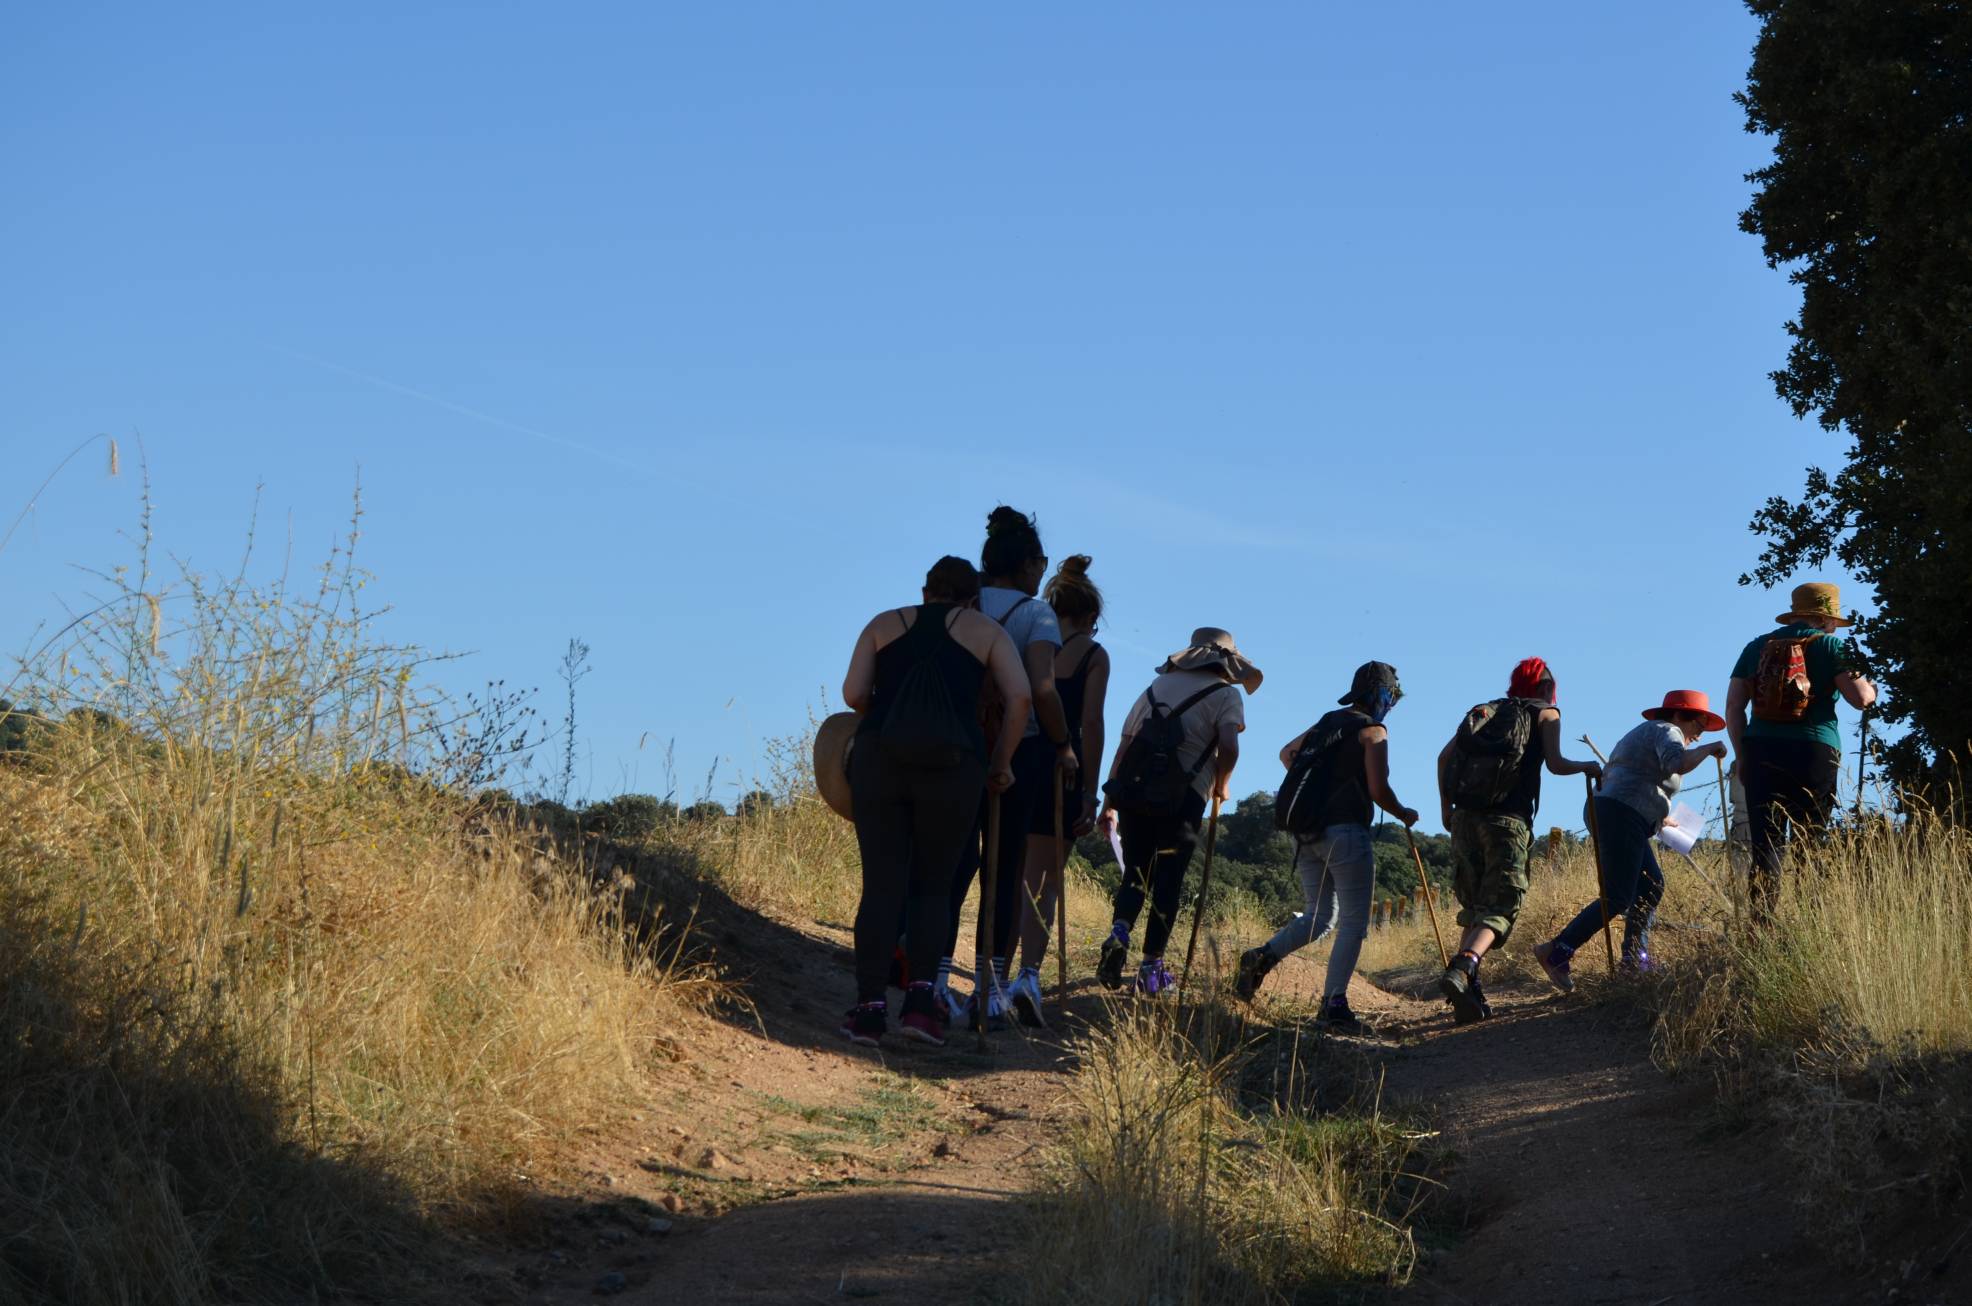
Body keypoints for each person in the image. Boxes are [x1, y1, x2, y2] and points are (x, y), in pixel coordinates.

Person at [838, 557, 1031, 1047]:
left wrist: (894, 710)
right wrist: (1002, 762)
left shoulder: (883, 624)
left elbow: (854, 693)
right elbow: (1021, 698)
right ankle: (921, 1008)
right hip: (954, 766)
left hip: (880, 760)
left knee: (881, 886)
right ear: (972, 599)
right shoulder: (985, 631)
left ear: (925, 592)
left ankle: (868, 1010)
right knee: (933, 886)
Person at [936, 507, 1080, 1028]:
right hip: (1020, 748)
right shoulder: (1037, 615)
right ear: (1025, 565)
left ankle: (934, 978)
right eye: (1039, 560)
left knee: (953, 861)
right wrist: (1064, 745)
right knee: (1004, 864)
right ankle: (991, 986)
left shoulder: (962, 605)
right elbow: (1042, 688)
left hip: (958, 744)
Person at [1233, 661, 1424, 1032]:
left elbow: (1287, 754)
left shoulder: (1327, 722)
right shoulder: (1373, 731)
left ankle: (1260, 958)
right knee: (1353, 922)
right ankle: (1333, 1005)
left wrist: (1320, 785)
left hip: (1306, 832)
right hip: (1346, 833)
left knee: (1319, 916)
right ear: (1382, 695)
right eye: (1392, 698)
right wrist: (1403, 812)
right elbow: (1378, 789)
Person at [1433, 659, 1602, 1023]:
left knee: (1477, 904)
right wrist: (1587, 767)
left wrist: (1447, 809)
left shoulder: (1488, 711)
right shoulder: (1547, 713)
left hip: (1464, 816)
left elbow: (1444, 758)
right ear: (1546, 687)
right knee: (1501, 905)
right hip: (1508, 819)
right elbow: (1555, 764)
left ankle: (1468, 987)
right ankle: (1465, 965)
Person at [1095, 628, 1259, 996]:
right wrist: (1222, 782)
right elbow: (1229, 746)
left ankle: (1119, 933)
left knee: (1136, 872)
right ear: (1227, 662)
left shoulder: (1154, 689)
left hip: (1134, 795)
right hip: (1184, 799)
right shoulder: (1225, 694)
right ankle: (1151, 970)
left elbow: (1124, 750)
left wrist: (1109, 806)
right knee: (1168, 881)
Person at [1532, 691, 1729, 992]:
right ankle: (1558, 951)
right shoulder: (1667, 730)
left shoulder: (1645, 734)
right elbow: (1676, 762)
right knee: (1619, 895)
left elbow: (1633, 778)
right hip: (1622, 814)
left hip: (1620, 812)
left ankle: (1634, 961)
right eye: (1700, 724)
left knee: (1650, 886)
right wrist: (1710, 750)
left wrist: (1660, 817)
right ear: (1679, 715)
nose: (1701, 734)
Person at [1723, 581, 1877, 916]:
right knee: (1811, 841)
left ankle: (1759, 928)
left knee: (1767, 845)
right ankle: (1810, 922)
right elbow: (1860, 698)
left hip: (1762, 750)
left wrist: (1742, 755)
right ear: (1825, 618)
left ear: (1797, 612)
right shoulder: (1831, 646)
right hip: (1815, 751)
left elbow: (1735, 706)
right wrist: (1871, 686)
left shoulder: (1756, 647)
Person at [1008, 556, 1110, 1028]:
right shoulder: (1093, 655)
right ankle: (1029, 977)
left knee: (1010, 876)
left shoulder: (1034, 644)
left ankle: (994, 977)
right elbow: (1091, 722)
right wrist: (1091, 791)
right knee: (1044, 881)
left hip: (1019, 761)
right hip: (1063, 771)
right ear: (1091, 616)